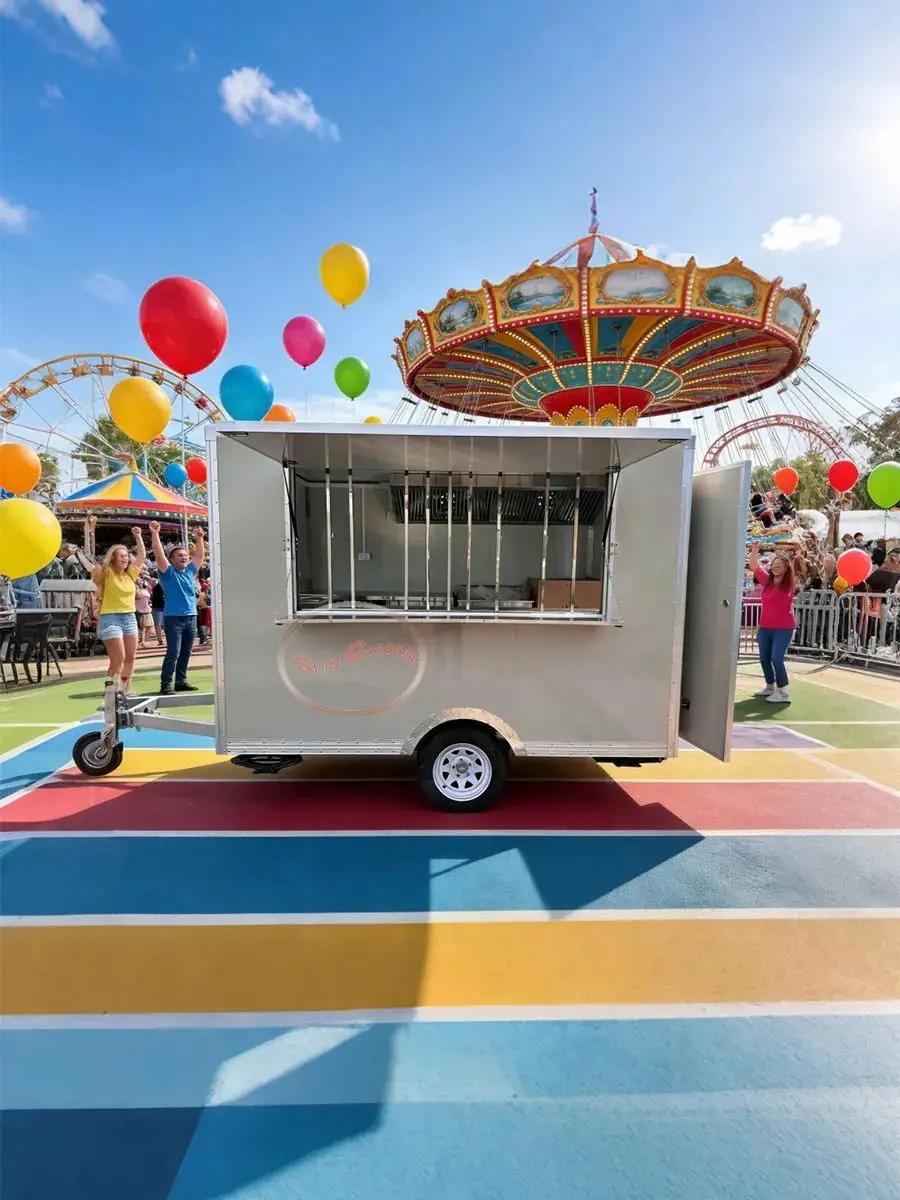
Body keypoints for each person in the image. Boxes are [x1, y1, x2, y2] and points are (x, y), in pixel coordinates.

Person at [149, 521, 205, 694]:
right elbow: (159, 554)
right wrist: (155, 533)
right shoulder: (168, 573)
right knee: (173, 652)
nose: (184, 557)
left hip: (191, 617)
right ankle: (166, 683)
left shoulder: (189, 571)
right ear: (172, 559)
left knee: (186, 651)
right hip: (173, 618)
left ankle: (180, 681)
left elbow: (199, 556)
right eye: (180, 555)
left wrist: (199, 539)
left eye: (185, 555)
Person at [91, 528, 146, 694]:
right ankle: (110, 688)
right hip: (111, 618)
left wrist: (138, 536)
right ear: (113, 558)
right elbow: (96, 574)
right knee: (118, 658)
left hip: (129, 618)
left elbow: (141, 556)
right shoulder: (106, 573)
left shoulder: (130, 575)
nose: (125, 559)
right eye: (121, 556)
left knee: (130, 657)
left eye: (126, 556)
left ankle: (126, 688)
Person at [748, 542, 796, 704]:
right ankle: (770, 686)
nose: (775, 568)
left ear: (786, 568)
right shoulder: (767, 582)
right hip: (765, 627)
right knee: (764, 658)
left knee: (776, 658)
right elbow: (754, 566)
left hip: (783, 628)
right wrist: (755, 549)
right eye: (773, 565)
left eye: (779, 566)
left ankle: (783, 691)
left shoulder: (788, 584)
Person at [134, 569, 153, 648]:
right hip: (138, 610)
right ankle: (141, 641)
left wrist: (146, 577)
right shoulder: (135, 587)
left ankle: (142, 640)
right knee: (142, 627)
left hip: (147, 609)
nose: (140, 579)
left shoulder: (145, 587)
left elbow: (151, 583)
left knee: (150, 626)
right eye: (139, 577)